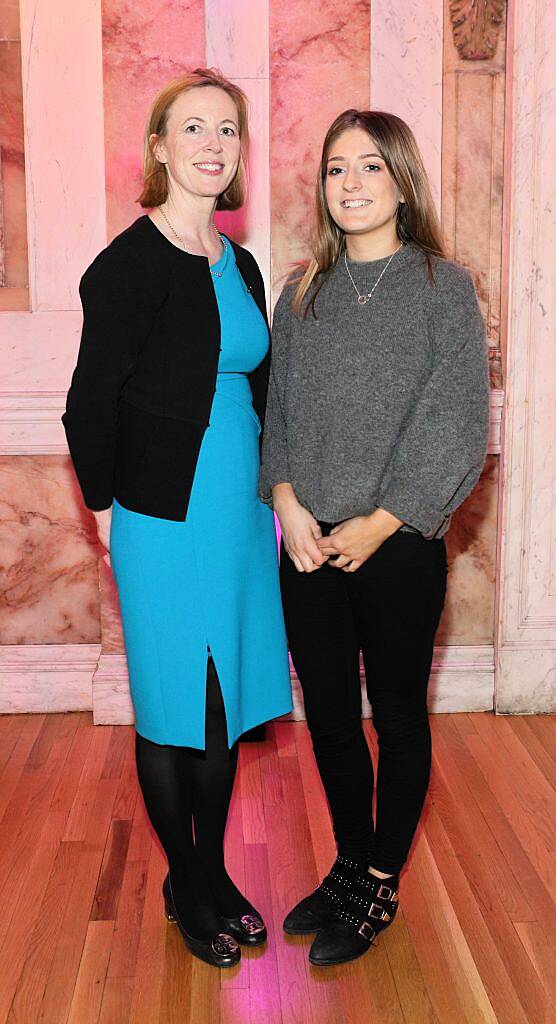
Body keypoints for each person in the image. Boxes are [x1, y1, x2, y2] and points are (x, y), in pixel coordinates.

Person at [63, 68, 293, 969]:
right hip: (159, 515)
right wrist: (105, 512)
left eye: (227, 130)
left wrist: (281, 491)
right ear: (159, 147)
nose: (211, 145)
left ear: (238, 151)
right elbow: (90, 403)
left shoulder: (241, 264)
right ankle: (189, 879)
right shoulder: (126, 264)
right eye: (192, 128)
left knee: (227, 698)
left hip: (237, 516)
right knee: (176, 705)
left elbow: (263, 389)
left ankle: (208, 869)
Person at [260, 109, 489, 967]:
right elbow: (273, 412)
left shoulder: (442, 286)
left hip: (397, 542)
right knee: (326, 717)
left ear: (401, 181)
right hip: (308, 543)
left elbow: (457, 420)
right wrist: (283, 498)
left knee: (394, 713)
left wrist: (386, 517)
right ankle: (351, 862)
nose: (350, 184)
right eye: (334, 170)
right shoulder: (301, 291)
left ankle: (380, 878)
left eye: (369, 167)